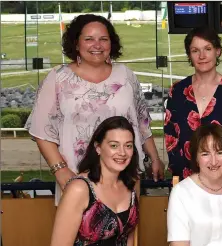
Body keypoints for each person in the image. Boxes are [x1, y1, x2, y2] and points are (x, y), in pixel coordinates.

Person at [25, 14, 164, 205]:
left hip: (126, 178)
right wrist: (60, 170)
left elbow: (142, 124)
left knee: (127, 233)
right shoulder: (57, 78)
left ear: (111, 43)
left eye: (103, 39)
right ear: (76, 43)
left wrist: (155, 158)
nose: (96, 45)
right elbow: (42, 131)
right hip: (75, 179)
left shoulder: (127, 76)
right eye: (89, 39)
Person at [45, 116, 140, 246]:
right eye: (114, 145)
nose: (122, 153)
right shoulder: (79, 188)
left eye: (128, 146)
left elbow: (127, 233)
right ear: (98, 148)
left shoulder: (131, 184)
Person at [164, 26, 222, 179]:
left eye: (207, 49)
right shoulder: (177, 90)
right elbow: (171, 136)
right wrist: (185, 175)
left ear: (218, 51)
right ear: (189, 55)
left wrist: (219, 171)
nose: (202, 56)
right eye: (195, 50)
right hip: (186, 180)